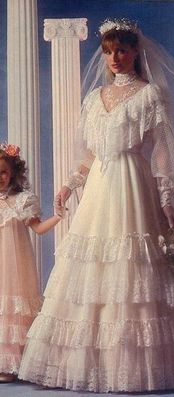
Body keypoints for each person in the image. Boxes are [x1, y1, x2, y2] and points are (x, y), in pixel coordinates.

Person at [19, 19, 174, 392]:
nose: (114, 58)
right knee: (92, 271)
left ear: (135, 51)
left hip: (133, 186)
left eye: (121, 50)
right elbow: (88, 155)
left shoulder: (149, 96)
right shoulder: (94, 99)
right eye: (107, 52)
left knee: (139, 269)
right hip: (101, 188)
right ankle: (93, 365)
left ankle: (145, 368)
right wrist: (70, 186)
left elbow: (165, 150)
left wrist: (167, 196)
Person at [0, 143, 62, 382]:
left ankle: (12, 364)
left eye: (3, 172)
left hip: (15, 267)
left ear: (13, 172)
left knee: (14, 307)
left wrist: (58, 216)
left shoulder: (23, 200)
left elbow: (38, 229)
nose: (0, 178)